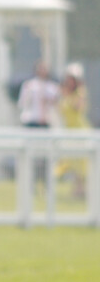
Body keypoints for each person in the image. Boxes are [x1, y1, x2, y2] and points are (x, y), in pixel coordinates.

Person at [55, 64, 90, 199]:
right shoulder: (64, 93)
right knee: (73, 164)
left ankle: (82, 190)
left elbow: (78, 107)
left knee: (82, 164)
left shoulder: (80, 93)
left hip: (79, 132)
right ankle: (78, 190)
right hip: (69, 133)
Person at [17, 61, 59, 128]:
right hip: (31, 121)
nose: (42, 71)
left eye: (44, 69)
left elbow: (55, 105)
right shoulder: (29, 85)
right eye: (40, 68)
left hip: (46, 122)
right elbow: (22, 103)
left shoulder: (52, 87)